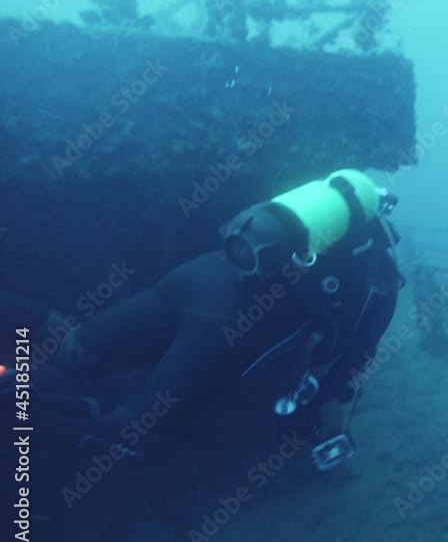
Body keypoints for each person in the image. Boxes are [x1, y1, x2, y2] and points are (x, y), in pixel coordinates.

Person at [23, 169, 403, 467]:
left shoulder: (304, 205)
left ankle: (20, 381)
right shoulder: (376, 277)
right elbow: (343, 358)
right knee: (135, 433)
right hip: (224, 319)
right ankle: (19, 432)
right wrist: (301, 413)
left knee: (79, 350)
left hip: (196, 275)